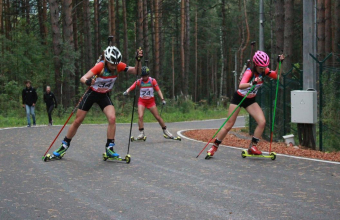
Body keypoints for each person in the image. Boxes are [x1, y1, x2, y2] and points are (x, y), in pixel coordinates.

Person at [52, 46, 143, 159]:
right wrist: (88, 81)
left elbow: (136, 71)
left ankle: (109, 148)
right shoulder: (100, 66)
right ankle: (64, 145)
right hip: (92, 94)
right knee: (78, 120)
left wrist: (137, 61)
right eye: (112, 65)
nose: (114, 67)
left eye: (116, 64)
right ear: (107, 61)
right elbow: (83, 78)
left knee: (112, 118)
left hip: (104, 95)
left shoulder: (118, 65)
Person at [207, 51, 285, 157]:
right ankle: (214, 147)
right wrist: (252, 82)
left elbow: (276, 75)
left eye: (265, 67)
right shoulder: (249, 72)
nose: (263, 69)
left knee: (262, 122)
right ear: (256, 65)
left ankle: (253, 147)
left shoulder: (264, 70)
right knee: (229, 125)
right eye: (261, 67)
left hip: (250, 100)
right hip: (239, 98)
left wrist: (279, 63)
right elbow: (241, 85)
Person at [123, 66, 174, 140]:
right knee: (140, 116)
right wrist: (127, 91)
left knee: (157, 117)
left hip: (151, 102)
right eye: (143, 76)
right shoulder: (140, 81)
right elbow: (132, 86)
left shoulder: (152, 81)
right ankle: (141, 133)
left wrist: (162, 99)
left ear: (148, 75)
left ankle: (165, 131)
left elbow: (158, 90)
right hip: (142, 101)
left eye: (145, 76)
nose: (144, 78)